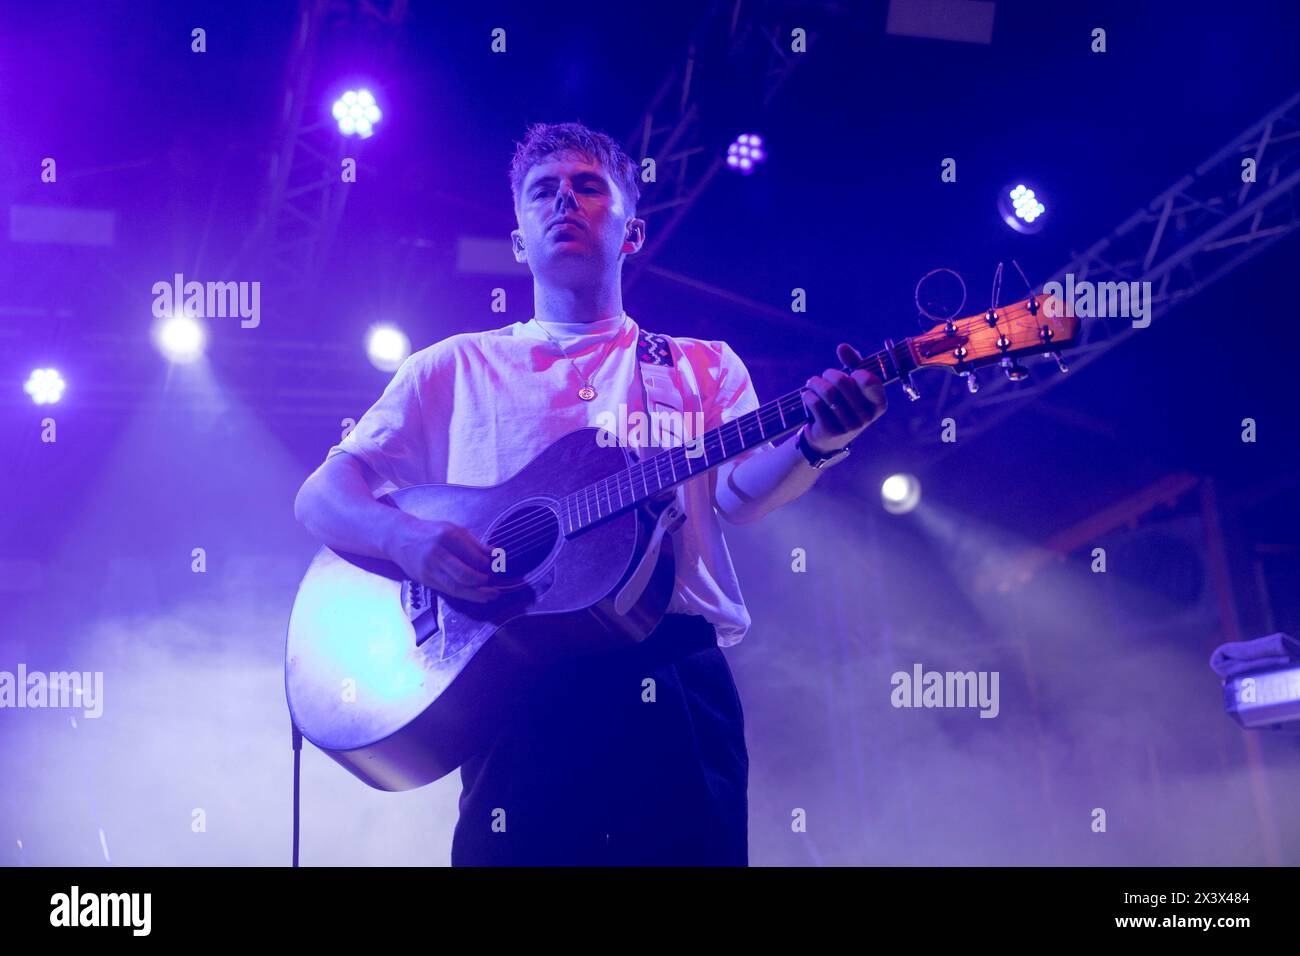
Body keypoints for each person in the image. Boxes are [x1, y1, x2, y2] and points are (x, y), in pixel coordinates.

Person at [293, 121, 887, 866]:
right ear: (517, 240)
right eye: (543, 191)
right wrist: (407, 541)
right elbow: (321, 496)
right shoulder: (451, 368)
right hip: (515, 672)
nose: (563, 202)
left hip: (673, 672)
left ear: (631, 232)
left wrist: (818, 441)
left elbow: (736, 497)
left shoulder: (701, 365)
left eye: (588, 187)